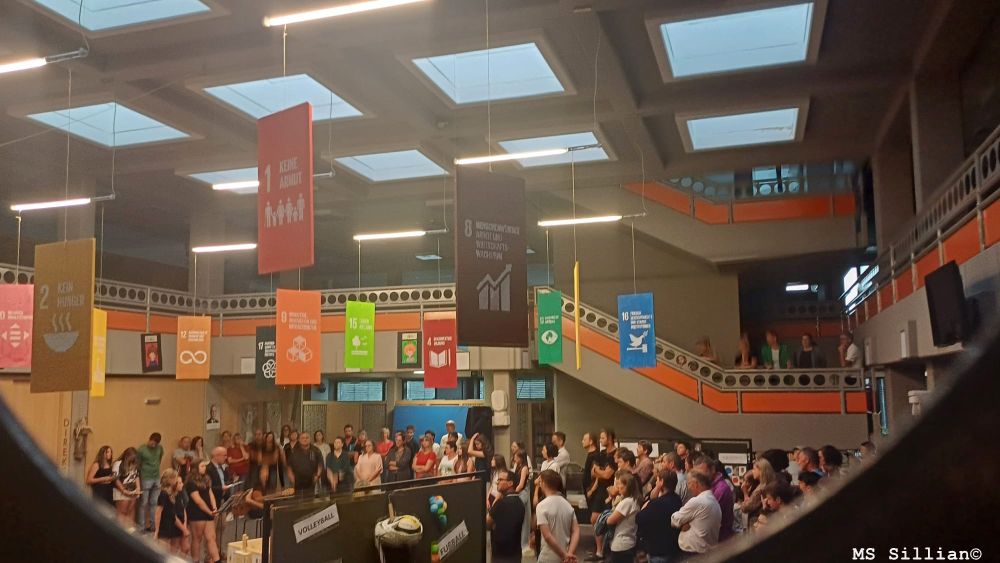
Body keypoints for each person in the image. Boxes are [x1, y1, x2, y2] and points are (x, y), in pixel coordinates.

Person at [671, 471, 722, 556]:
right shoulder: (714, 501)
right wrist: (684, 522)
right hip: (707, 553)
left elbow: (674, 520)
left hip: (694, 554)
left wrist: (683, 522)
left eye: (689, 483)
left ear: (695, 484)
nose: (689, 487)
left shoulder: (697, 501)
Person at [534, 469, 579, 563]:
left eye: (540, 482)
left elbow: (547, 536)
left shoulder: (542, 506)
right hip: (566, 557)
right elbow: (576, 531)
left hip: (548, 557)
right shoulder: (567, 505)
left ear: (543, 483)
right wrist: (569, 554)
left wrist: (564, 555)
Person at [637, 469, 682, 563]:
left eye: (657, 480)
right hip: (673, 548)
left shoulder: (657, 504)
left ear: (661, 482)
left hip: (659, 552)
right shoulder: (677, 499)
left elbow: (639, 518)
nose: (656, 483)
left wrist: (647, 505)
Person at [586, 428, 617, 561]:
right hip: (600, 490)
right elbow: (593, 473)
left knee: (607, 520)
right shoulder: (601, 454)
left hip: (611, 490)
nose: (601, 440)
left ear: (610, 438)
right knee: (594, 519)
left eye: (603, 438)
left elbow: (607, 475)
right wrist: (599, 474)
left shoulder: (616, 454)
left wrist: (599, 471)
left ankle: (605, 549)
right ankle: (599, 551)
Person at [487, 468, 526, 563]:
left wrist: (496, 501)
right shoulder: (520, 503)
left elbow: (487, 524)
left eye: (500, 480)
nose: (497, 482)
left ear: (510, 483)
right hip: (515, 554)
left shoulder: (500, 504)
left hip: (500, 555)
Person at [185, 460, 221, 563]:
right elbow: (198, 500)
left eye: (205, 466)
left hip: (209, 511)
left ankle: (217, 560)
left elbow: (210, 493)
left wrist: (214, 508)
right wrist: (209, 511)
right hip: (197, 513)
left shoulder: (206, 479)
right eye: (202, 466)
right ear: (195, 468)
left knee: (211, 537)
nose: (204, 468)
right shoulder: (191, 482)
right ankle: (195, 560)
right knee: (197, 538)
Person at [607, 470, 642, 563]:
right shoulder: (634, 500)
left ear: (627, 487)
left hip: (622, 544)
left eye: (621, 484)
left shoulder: (627, 502)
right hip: (629, 542)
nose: (618, 487)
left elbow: (610, 520)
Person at [154, 469, 187, 555]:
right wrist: (157, 530)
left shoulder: (173, 493)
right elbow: (158, 512)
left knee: (171, 552)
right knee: (163, 553)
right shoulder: (164, 494)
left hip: (171, 525)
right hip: (164, 526)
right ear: (171, 480)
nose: (177, 481)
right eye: (175, 479)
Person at [136, 433, 164, 533]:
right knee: (144, 503)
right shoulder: (142, 449)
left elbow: (159, 460)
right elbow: (138, 464)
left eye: (156, 443)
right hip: (145, 477)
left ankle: (153, 526)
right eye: (152, 442)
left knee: (154, 503)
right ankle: (141, 527)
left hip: (156, 477)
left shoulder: (160, 448)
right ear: (149, 439)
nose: (153, 445)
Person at [741, 458, 777, 526]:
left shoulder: (761, 489)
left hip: (757, 522)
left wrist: (745, 493)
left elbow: (745, 508)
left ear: (761, 470)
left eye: (754, 469)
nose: (752, 471)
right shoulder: (769, 484)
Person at [112, 447, 141, 529]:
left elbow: (136, 476)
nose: (133, 460)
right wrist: (124, 490)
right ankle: (120, 530)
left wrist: (138, 488)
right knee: (122, 512)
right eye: (132, 458)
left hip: (133, 490)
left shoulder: (134, 464)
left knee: (131, 511)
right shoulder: (118, 464)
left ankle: (130, 531)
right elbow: (115, 479)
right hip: (121, 490)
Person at [510, 449, 532, 556]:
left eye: (516, 456)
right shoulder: (517, 466)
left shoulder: (524, 468)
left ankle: (524, 544)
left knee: (524, 519)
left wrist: (513, 492)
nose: (514, 458)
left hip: (523, 493)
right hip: (518, 492)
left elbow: (521, 484)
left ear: (521, 458)